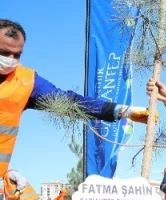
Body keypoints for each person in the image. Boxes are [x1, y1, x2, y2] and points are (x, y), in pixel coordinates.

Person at [0, 19, 150, 180]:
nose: (10, 59)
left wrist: (123, 111)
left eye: (17, 54)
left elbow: (70, 102)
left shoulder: (25, 81)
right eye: (4, 52)